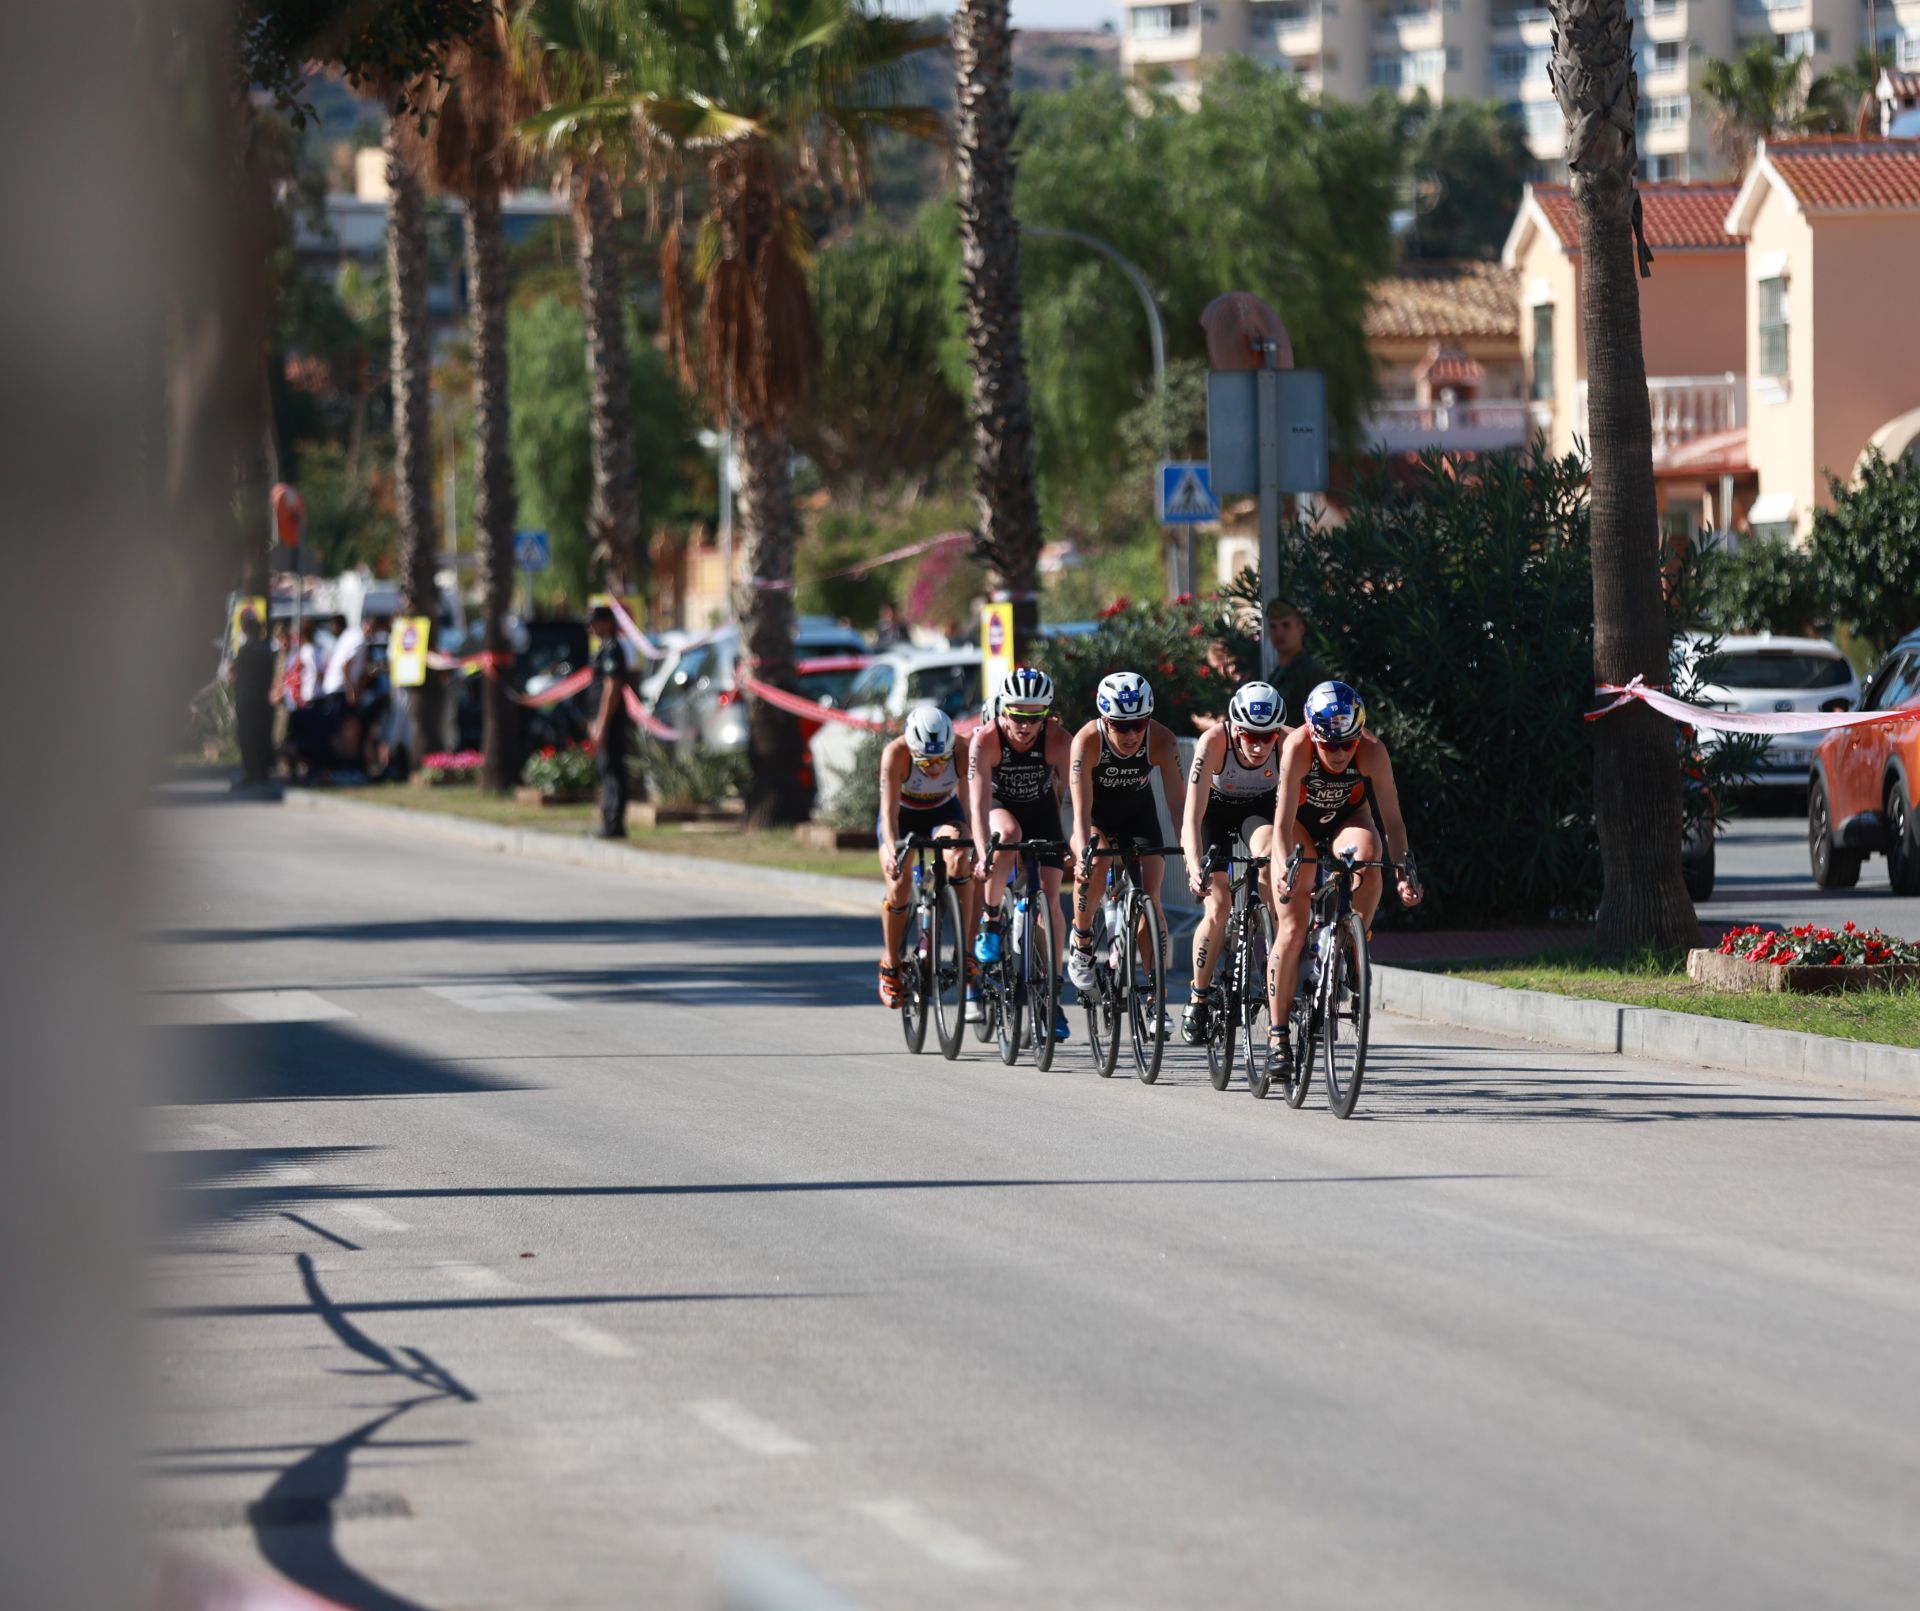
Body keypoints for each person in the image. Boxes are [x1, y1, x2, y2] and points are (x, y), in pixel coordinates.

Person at [1263, 680, 1422, 1085]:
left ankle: (1353, 940)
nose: (1338, 753)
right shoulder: (1297, 748)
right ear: (1313, 734)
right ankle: (1278, 1038)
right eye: (1329, 744)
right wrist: (1284, 871)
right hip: (1300, 826)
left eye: (1346, 744)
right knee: (1293, 925)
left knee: (1369, 858)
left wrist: (1405, 872)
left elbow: (1394, 823)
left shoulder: (1372, 751)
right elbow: (1280, 825)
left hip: (1348, 822)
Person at [1065, 673, 1187, 1033]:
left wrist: (1192, 855)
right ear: (1105, 720)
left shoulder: (1161, 740)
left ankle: (1154, 997)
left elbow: (1180, 810)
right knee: (1096, 859)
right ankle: (1082, 939)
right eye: (1121, 725)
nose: (1132, 733)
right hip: (1096, 817)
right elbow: (1080, 811)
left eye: (1139, 723)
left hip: (1138, 815)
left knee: (1152, 895)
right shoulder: (1087, 740)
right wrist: (1082, 852)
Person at [1177, 680, 1287, 1045]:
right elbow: (1191, 817)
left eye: (1266, 737)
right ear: (1235, 729)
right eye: (1249, 735)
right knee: (1218, 905)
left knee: (1271, 856)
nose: (1257, 746)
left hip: (1259, 814)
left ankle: (1271, 947)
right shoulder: (1214, 742)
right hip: (1216, 815)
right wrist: (1194, 866)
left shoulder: (1288, 743)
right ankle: (1199, 995)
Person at [969, 665, 1072, 1043]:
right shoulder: (986, 740)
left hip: (1042, 810)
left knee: (1050, 899)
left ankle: (1054, 995)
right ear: (1002, 710)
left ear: (1046, 714)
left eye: (1035, 716)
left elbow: (1074, 799)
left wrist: (1075, 841)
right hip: (1001, 806)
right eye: (1016, 715)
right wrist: (983, 854)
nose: (1025, 725)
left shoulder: (1059, 739)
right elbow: (978, 807)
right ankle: (992, 919)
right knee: (1007, 837)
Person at [875, 707, 976, 1008]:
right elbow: (888, 812)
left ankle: (964, 948)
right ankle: (891, 964)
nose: (934, 768)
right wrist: (893, 851)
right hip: (903, 817)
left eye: (940, 760)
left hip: (943, 812)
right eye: (926, 761)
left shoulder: (961, 749)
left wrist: (974, 845)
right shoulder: (896, 753)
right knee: (898, 884)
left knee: (960, 856)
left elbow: (969, 806)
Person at [587, 604, 636, 839]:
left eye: (595, 622)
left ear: (606, 622)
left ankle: (615, 823)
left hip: (612, 723)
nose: (592, 628)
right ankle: (609, 821)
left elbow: (612, 689)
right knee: (606, 769)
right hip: (604, 721)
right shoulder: (605, 648)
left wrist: (602, 724)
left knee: (613, 770)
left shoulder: (612, 649)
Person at [227, 610, 276, 788]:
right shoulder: (266, 649)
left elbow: (234, 675)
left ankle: (251, 773)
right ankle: (262, 771)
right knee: (261, 735)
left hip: (247, 698)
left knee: (247, 736)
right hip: (262, 698)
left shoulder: (246, 650)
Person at [1263, 598, 1328, 728]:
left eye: (1286, 625)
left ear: (1301, 629)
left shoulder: (1312, 674)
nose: (1279, 633)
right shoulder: (1278, 673)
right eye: (1273, 626)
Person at [1190, 639, 1246, 734]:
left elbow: (1239, 727)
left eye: (1224, 665)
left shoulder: (1246, 686)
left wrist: (1212, 725)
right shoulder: (1237, 687)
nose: (1222, 672)